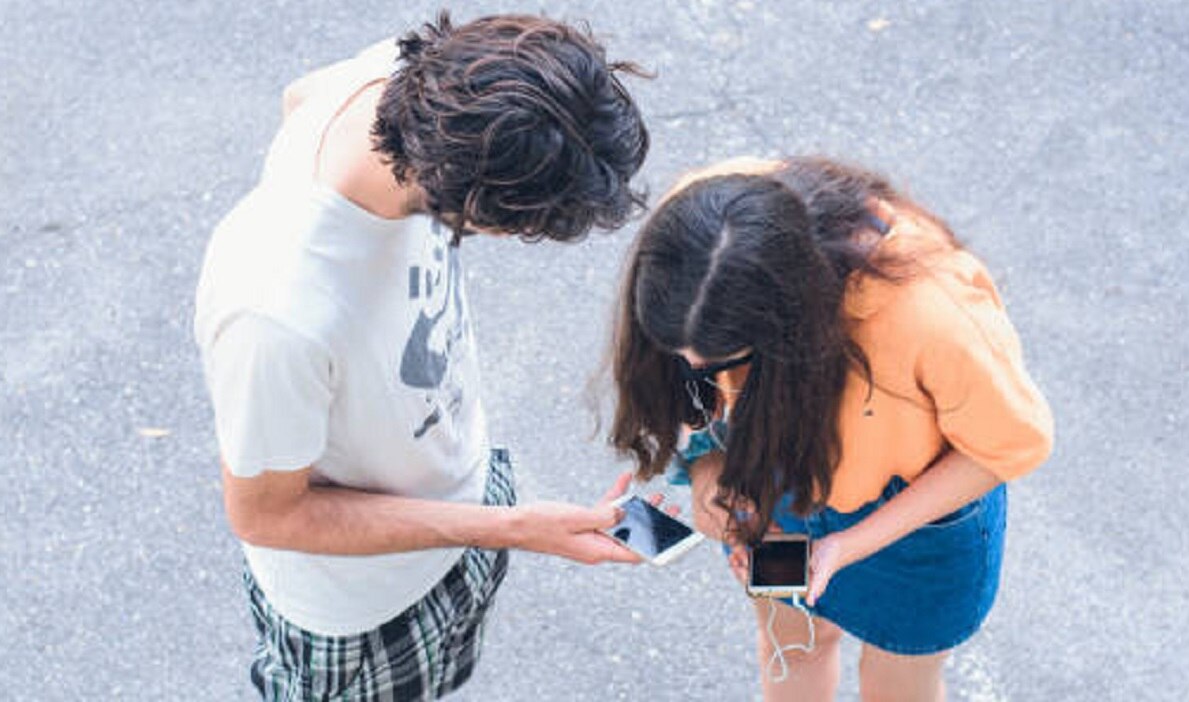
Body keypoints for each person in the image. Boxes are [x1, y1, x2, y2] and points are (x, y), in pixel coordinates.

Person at [194, 12, 650, 700]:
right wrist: (514, 529)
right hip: (360, 610)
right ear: (469, 201)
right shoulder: (276, 311)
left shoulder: (412, 82)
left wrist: (497, 524)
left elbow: (299, 96)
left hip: (464, 495)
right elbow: (266, 514)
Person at [607, 156, 1053, 701]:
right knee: (791, 649)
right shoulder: (702, 229)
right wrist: (710, 469)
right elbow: (708, 399)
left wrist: (848, 544)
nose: (696, 367)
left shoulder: (932, 313)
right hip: (778, 475)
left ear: (788, 322)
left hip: (917, 521)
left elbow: (1003, 448)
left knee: (897, 688)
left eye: (726, 355)